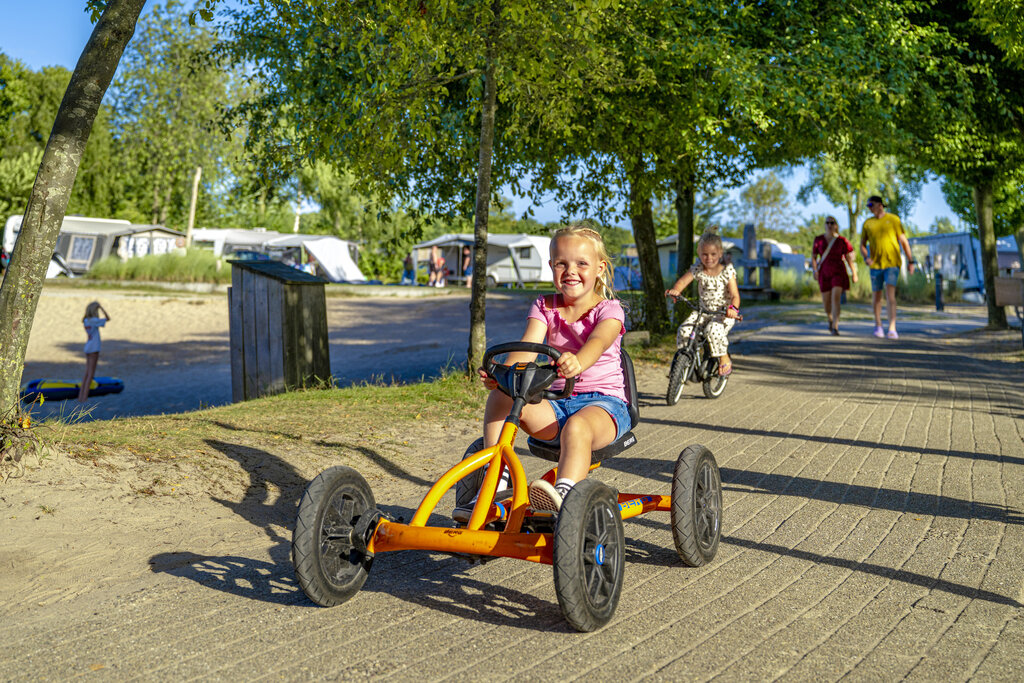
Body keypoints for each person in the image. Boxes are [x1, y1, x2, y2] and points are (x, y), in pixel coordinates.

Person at [461, 223, 630, 515]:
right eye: (561, 263)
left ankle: (565, 492)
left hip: (604, 406)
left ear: (600, 268)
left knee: (578, 427)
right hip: (555, 404)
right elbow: (528, 346)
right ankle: (496, 480)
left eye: (581, 263)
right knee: (502, 397)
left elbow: (600, 341)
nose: (570, 271)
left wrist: (579, 360)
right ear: (551, 266)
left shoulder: (610, 309)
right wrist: (502, 374)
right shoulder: (545, 305)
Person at [665, 228, 741, 376]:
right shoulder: (698, 269)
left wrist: (733, 309)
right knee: (684, 329)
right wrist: (676, 290)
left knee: (713, 330)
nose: (709, 258)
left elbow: (735, 295)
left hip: (722, 314)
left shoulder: (727, 272)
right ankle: (685, 360)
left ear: (720, 254)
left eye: (713, 254)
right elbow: (682, 282)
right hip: (702, 312)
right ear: (699, 254)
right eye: (704, 254)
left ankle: (724, 357)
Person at [860, 195, 915, 339]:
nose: (869, 208)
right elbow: (862, 245)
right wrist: (866, 257)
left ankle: (892, 327)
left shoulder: (894, 220)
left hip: (892, 263)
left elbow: (903, 241)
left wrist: (911, 261)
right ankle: (878, 325)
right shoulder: (867, 224)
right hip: (875, 265)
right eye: (868, 205)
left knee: (890, 295)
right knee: (876, 296)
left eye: (871, 204)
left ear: (880, 205)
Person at [812, 215, 858, 335]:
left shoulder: (842, 241)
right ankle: (830, 318)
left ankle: (835, 326)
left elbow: (848, 257)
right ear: (825, 225)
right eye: (827, 223)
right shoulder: (819, 240)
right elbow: (814, 256)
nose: (829, 225)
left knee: (835, 298)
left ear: (836, 225)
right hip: (824, 273)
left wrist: (854, 273)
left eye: (832, 223)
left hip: (838, 272)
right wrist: (815, 270)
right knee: (826, 302)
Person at [78, 301, 110, 403]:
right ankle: (84, 398)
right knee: (91, 374)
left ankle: (80, 396)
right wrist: (102, 308)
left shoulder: (86, 320)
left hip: (88, 346)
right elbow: (108, 319)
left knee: (86, 373)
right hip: (94, 348)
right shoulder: (94, 320)